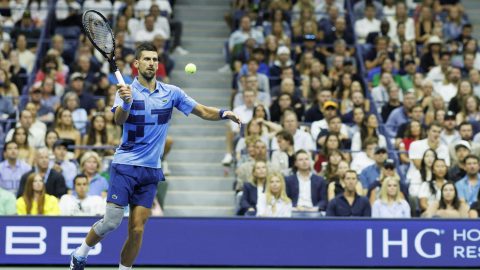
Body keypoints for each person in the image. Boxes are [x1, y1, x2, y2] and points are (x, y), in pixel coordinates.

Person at [69, 43, 243, 270]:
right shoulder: (125, 90)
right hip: (125, 165)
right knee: (111, 223)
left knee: (137, 229)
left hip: (151, 169)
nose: (151, 63)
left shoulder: (172, 93)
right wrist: (127, 102)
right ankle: (80, 253)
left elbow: (200, 110)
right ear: (136, 64)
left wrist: (223, 113)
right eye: (147, 59)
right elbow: (119, 120)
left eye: (155, 59)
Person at [407, 121, 450, 185]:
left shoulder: (444, 148)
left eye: (439, 132)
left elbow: (445, 168)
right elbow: (419, 166)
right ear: (427, 132)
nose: (436, 134)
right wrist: (432, 149)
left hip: (436, 180)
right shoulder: (415, 145)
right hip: (417, 179)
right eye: (434, 131)